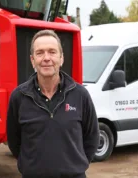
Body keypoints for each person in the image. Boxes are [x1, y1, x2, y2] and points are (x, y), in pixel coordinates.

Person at [7, 29, 100, 178]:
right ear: (32, 60)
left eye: (52, 52)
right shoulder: (19, 97)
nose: (46, 58)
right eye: (40, 53)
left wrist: (74, 167)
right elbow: (14, 142)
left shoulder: (80, 95)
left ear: (61, 58)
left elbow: (92, 138)